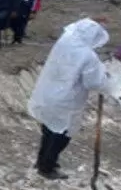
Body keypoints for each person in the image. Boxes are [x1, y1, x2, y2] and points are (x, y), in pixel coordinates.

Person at [27, 19, 109, 180]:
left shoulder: (64, 43)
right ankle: (47, 167)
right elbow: (93, 82)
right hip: (67, 100)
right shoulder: (88, 56)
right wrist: (105, 79)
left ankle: (42, 161)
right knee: (61, 136)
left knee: (49, 129)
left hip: (48, 93)